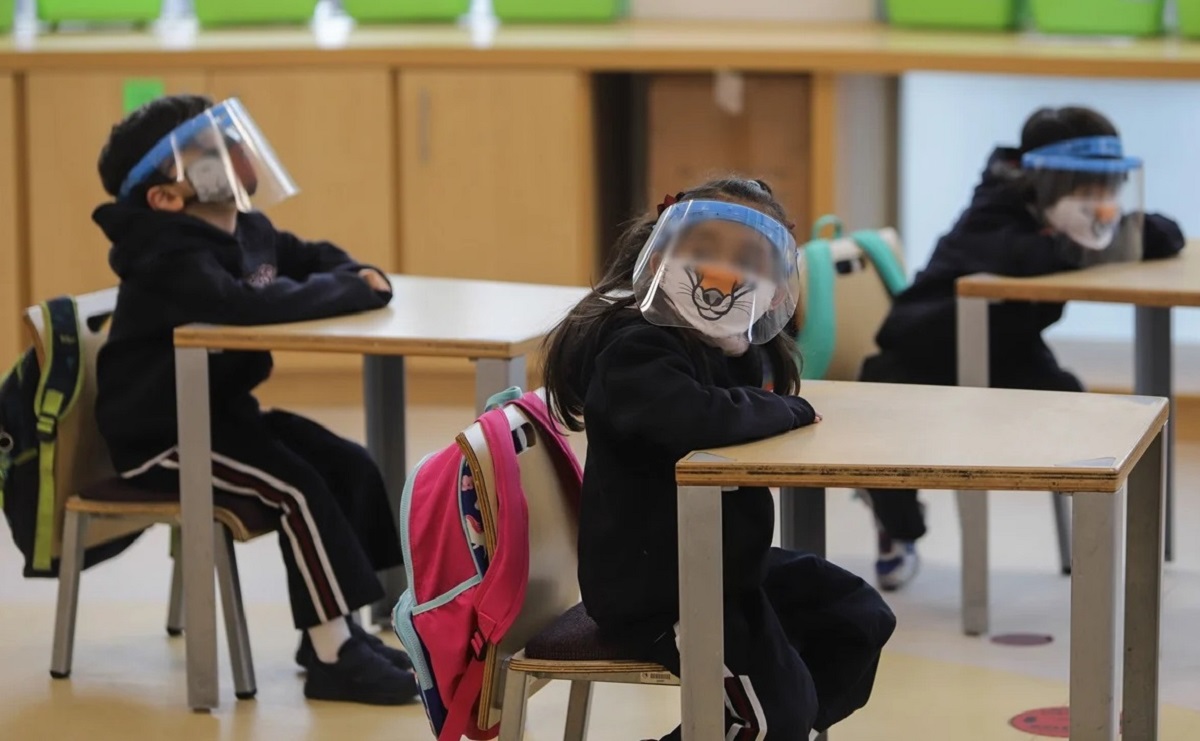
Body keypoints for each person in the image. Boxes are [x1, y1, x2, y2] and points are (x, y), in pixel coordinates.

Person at [543, 177, 896, 740]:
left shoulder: (724, 344)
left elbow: (732, 406)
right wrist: (785, 410)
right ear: (661, 254)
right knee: (770, 713)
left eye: (749, 259)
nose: (723, 272)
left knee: (857, 617)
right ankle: (766, 723)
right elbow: (695, 416)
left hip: (725, 568)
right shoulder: (634, 343)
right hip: (661, 593)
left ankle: (769, 725)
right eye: (705, 250)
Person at [93, 94, 418, 705]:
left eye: (230, 139)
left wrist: (357, 273)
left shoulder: (247, 230)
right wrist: (347, 291)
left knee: (344, 464)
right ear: (165, 198)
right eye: (208, 152)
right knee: (297, 490)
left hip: (220, 419)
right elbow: (244, 306)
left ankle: (336, 628)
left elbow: (311, 258)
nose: (233, 154)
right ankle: (332, 659)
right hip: (162, 437)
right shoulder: (169, 257)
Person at [860, 106, 1185, 591]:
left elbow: (1165, 232)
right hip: (922, 354)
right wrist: (1109, 234)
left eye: (1110, 190)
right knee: (886, 443)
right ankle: (896, 526)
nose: (1101, 205)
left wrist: (1106, 229)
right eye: (1085, 190)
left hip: (1009, 349)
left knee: (1076, 406)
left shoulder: (1073, 220)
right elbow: (1029, 255)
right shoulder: (992, 210)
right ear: (1045, 180)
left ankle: (1098, 549)